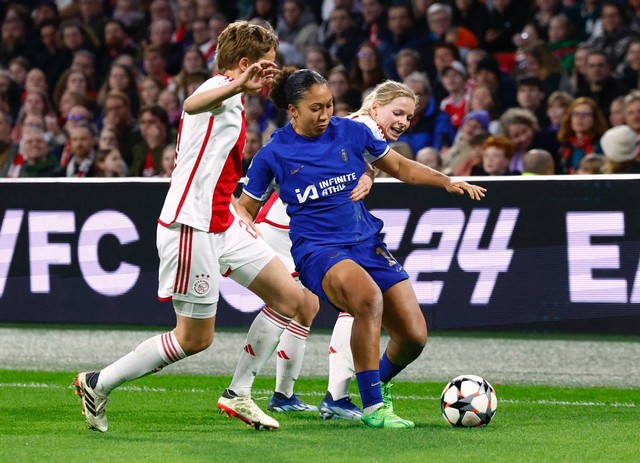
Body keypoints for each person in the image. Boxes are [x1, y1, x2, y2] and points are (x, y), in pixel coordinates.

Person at [74, 20, 305, 433]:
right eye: (265, 65)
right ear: (245, 64)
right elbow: (190, 105)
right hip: (191, 226)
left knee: (293, 300)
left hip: (223, 220)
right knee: (195, 339)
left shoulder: (233, 97)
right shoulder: (214, 90)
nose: (270, 72)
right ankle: (97, 382)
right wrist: (237, 85)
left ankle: (239, 393)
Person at [238, 67, 486, 429]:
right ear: (293, 110)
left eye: (329, 105)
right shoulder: (273, 153)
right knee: (366, 299)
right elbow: (245, 206)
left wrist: (445, 181)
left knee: (414, 335)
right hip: (318, 249)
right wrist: (241, 229)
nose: (325, 115)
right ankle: (371, 407)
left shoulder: (351, 131)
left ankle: (370, 383)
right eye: (315, 108)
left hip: (366, 241)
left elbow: (399, 165)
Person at [223, 80, 418, 421]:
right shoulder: (359, 125)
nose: (402, 121)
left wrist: (368, 174)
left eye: (409, 116)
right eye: (397, 112)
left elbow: (361, 160)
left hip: (292, 227)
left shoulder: (345, 125)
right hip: (291, 229)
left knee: (307, 306)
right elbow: (366, 156)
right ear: (375, 108)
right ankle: (337, 396)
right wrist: (370, 174)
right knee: (351, 304)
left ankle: (283, 394)